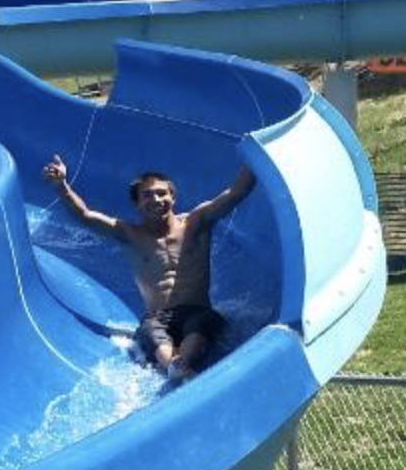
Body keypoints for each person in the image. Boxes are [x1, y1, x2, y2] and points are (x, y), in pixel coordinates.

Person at [42, 154, 255, 382]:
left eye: (162, 193)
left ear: (173, 197)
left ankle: (179, 365)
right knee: (149, 330)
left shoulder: (196, 222)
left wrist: (256, 153)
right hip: (159, 317)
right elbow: (85, 216)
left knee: (202, 323)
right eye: (147, 195)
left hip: (197, 310)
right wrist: (61, 185)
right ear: (137, 204)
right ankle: (176, 366)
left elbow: (236, 193)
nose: (156, 199)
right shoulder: (130, 234)